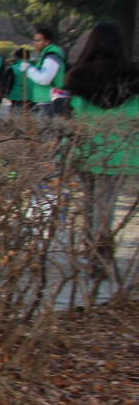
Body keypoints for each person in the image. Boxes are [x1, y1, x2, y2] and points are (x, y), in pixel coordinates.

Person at [67, 22, 139, 280]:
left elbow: (72, 116)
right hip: (120, 152)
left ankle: (92, 254)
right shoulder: (133, 79)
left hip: (86, 150)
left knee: (89, 202)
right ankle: (100, 258)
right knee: (105, 205)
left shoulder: (77, 76)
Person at [10, 24, 68, 116]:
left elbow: (44, 79)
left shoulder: (51, 57)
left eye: (39, 40)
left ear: (48, 41)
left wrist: (29, 69)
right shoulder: (47, 55)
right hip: (46, 99)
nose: (35, 43)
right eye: (35, 40)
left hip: (49, 101)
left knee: (47, 129)